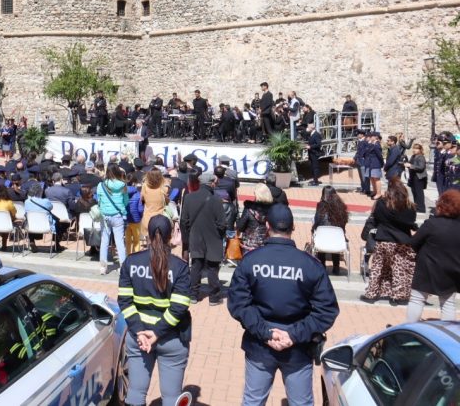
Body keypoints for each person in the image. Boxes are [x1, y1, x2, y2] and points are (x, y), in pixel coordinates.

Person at [227, 203, 339, 406]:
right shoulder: (311, 265)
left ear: (267, 226)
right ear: (293, 227)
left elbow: (238, 304)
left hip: (260, 343)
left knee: (252, 401)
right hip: (298, 344)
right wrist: (293, 335)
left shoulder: (251, 261)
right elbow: (327, 310)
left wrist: (266, 332)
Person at [118, 215, 193, 406]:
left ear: (148, 234)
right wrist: (157, 333)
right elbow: (179, 307)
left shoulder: (131, 262)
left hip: (139, 337)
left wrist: (140, 332)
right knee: (171, 398)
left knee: (135, 392)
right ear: (170, 236)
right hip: (172, 338)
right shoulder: (180, 267)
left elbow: (125, 301)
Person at [361, 177, 417, 304]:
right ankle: (398, 296)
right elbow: (411, 222)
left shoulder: (382, 203)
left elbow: (377, 218)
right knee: (399, 268)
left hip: (383, 238)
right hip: (401, 241)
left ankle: (371, 294)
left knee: (377, 267)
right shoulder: (409, 206)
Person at [406, 190, 460, 322]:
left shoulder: (432, 224)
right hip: (452, 268)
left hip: (427, 267)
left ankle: (410, 326)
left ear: (441, 206)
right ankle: (447, 333)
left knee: (417, 299)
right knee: (447, 303)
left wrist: (421, 252)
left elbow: (413, 242)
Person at [180, 173, 225, 305]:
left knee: (196, 266)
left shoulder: (188, 198)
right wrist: (219, 236)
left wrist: (186, 238)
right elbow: (222, 223)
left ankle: (193, 295)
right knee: (212, 268)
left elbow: (184, 221)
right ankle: (214, 297)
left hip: (195, 236)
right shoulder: (216, 199)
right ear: (211, 184)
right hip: (213, 237)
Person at [96, 168, 129, 275]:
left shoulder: (101, 185)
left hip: (105, 215)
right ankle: (123, 266)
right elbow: (126, 201)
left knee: (104, 241)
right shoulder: (123, 185)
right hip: (118, 215)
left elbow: (99, 200)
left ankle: (103, 267)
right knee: (119, 242)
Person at [310, 186, 349, 275]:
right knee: (334, 236)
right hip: (338, 239)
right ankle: (336, 267)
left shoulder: (320, 205)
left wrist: (313, 230)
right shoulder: (341, 207)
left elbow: (317, 221)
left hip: (322, 239)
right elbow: (344, 223)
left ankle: (322, 265)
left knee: (321, 235)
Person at [237, 184, 273, 255]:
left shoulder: (249, 209)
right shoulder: (272, 209)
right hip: (265, 244)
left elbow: (240, 226)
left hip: (249, 244)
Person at [404, 142, 428, 212]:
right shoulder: (413, 156)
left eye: (417, 149)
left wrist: (410, 166)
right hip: (413, 176)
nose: (414, 150)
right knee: (414, 192)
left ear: (420, 150)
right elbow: (410, 164)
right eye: (414, 148)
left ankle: (421, 208)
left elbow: (421, 167)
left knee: (419, 193)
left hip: (419, 177)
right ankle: (416, 206)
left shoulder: (421, 157)